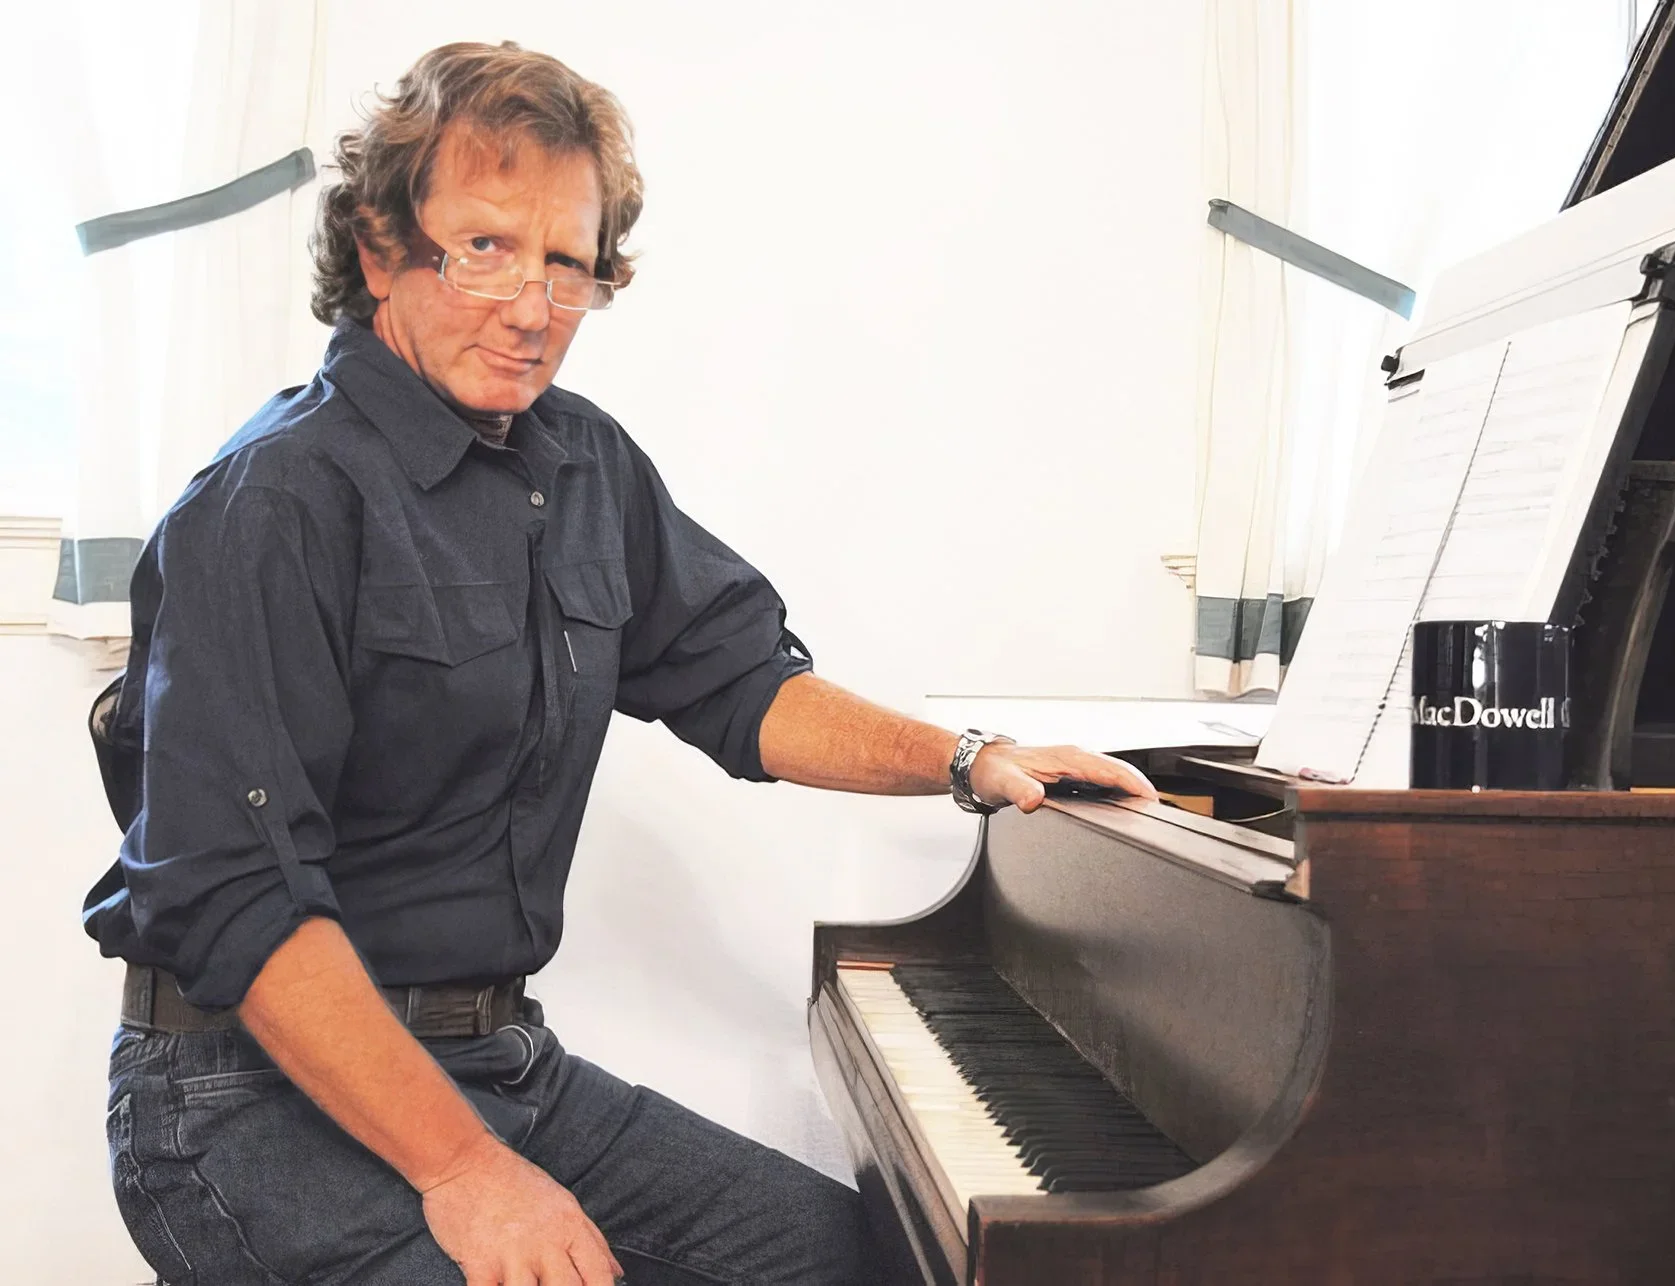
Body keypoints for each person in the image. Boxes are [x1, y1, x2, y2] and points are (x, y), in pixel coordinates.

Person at [82, 40, 1154, 1286]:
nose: (533, 306)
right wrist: (470, 1174)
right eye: (484, 247)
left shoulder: (581, 464)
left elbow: (741, 678)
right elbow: (237, 901)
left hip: (495, 1062)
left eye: (567, 265)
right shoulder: (274, 500)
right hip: (240, 1098)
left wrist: (969, 761)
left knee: (858, 1257)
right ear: (381, 248)